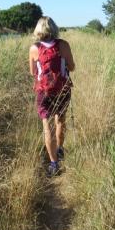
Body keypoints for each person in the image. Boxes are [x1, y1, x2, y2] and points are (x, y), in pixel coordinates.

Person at [29, 16, 75, 177]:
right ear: (54, 28)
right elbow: (72, 67)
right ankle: (60, 149)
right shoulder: (63, 45)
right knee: (60, 120)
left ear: (38, 30)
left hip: (43, 92)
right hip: (62, 89)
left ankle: (54, 164)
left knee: (47, 127)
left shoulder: (34, 48)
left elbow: (32, 72)